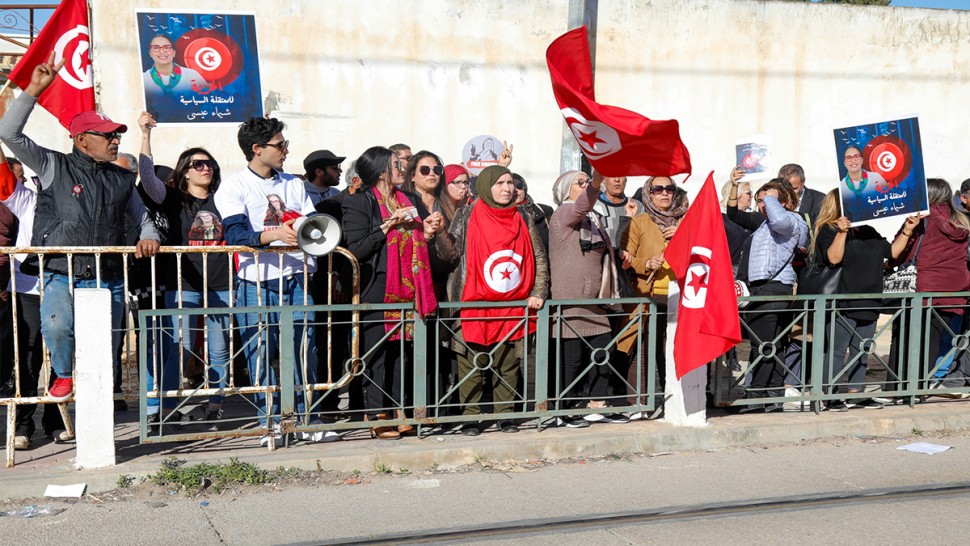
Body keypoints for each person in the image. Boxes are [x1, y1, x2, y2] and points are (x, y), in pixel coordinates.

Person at [0, 53, 160, 403]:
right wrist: (34, 90)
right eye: (106, 135)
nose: (115, 139)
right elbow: (7, 132)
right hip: (60, 272)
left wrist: (149, 237)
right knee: (57, 327)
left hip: (110, 274)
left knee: (105, 344)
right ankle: (63, 374)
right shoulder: (52, 165)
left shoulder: (122, 177)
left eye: (117, 134)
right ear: (81, 139)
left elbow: (142, 218)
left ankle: (99, 409)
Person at [214, 116, 322, 447]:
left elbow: (309, 221)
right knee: (261, 351)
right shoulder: (233, 186)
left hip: (296, 275)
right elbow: (235, 233)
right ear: (257, 149)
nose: (286, 150)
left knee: (305, 349)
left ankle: (307, 419)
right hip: (256, 280)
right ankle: (270, 421)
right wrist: (273, 234)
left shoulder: (293, 183)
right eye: (280, 145)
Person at [136, 112, 243, 432]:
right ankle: (165, 407)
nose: (206, 167)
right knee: (175, 347)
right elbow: (147, 177)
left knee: (220, 346)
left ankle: (216, 403)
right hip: (183, 283)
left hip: (222, 283)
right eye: (198, 164)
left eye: (209, 163)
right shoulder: (172, 198)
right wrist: (145, 135)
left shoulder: (225, 198)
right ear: (184, 172)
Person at [341, 146, 449, 440]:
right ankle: (376, 412)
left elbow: (415, 241)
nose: (402, 168)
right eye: (395, 164)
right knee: (376, 351)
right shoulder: (360, 202)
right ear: (379, 171)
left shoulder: (409, 198)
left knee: (402, 350)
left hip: (408, 284)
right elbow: (357, 248)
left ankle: (400, 409)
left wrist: (426, 230)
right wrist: (389, 224)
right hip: (378, 284)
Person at [445, 165, 547, 435]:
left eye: (510, 182)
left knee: (508, 364)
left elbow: (538, 257)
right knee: (471, 363)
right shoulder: (465, 215)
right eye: (500, 183)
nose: (507, 188)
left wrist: (538, 291)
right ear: (485, 186)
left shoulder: (524, 217)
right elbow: (451, 256)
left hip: (512, 303)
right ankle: (470, 417)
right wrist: (437, 236)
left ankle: (505, 415)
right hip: (472, 302)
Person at [812, 189, 917, 410]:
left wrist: (907, 230)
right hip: (843, 298)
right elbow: (833, 258)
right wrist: (842, 232)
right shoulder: (829, 230)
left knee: (862, 348)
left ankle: (855, 393)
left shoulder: (868, 230)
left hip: (870, 298)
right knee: (838, 350)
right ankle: (828, 394)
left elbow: (893, 252)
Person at [549, 170, 629, 427]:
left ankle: (597, 404)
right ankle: (564, 409)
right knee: (572, 361)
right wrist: (595, 184)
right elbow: (582, 205)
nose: (584, 187)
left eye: (587, 182)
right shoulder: (564, 212)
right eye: (579, 183)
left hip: (595, 301)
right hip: (571, 301)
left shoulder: (593, 218)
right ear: (565, 191)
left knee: (603, 352)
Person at [727, 179, 808, 412]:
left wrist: (772, 197)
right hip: (766, 288)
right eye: (760, 201)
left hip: (772, 289)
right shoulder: (767, 224)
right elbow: (735, 215)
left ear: (783, 201)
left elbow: (781, 219)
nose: (762, 205)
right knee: (774, 345)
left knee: (762, 346)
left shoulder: (792, 219)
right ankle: (772, 397)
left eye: (768, 200)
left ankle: (756, 397)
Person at [890, 178, 970, 392]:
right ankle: (921, 387)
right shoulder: (960, 220)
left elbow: (899, 253)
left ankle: (901, 388)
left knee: (905, 337)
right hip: (954, 290)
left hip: (920, 289)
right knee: (933, 340)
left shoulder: (922, 219)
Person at [142, 34, 208, 99]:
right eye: (156, 48)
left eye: (166, 47)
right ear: (150, 53)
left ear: (174, 53)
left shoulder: (192, 75)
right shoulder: (142, 80)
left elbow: (208, 101)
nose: (161, 51)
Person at [839, 146, 889, 220]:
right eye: (848, 158)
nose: (853, 161)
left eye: (856, 156)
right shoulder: (841, 187)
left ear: (862, 160)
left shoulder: (876, 178)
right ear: (844, 163)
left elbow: (889, 202)